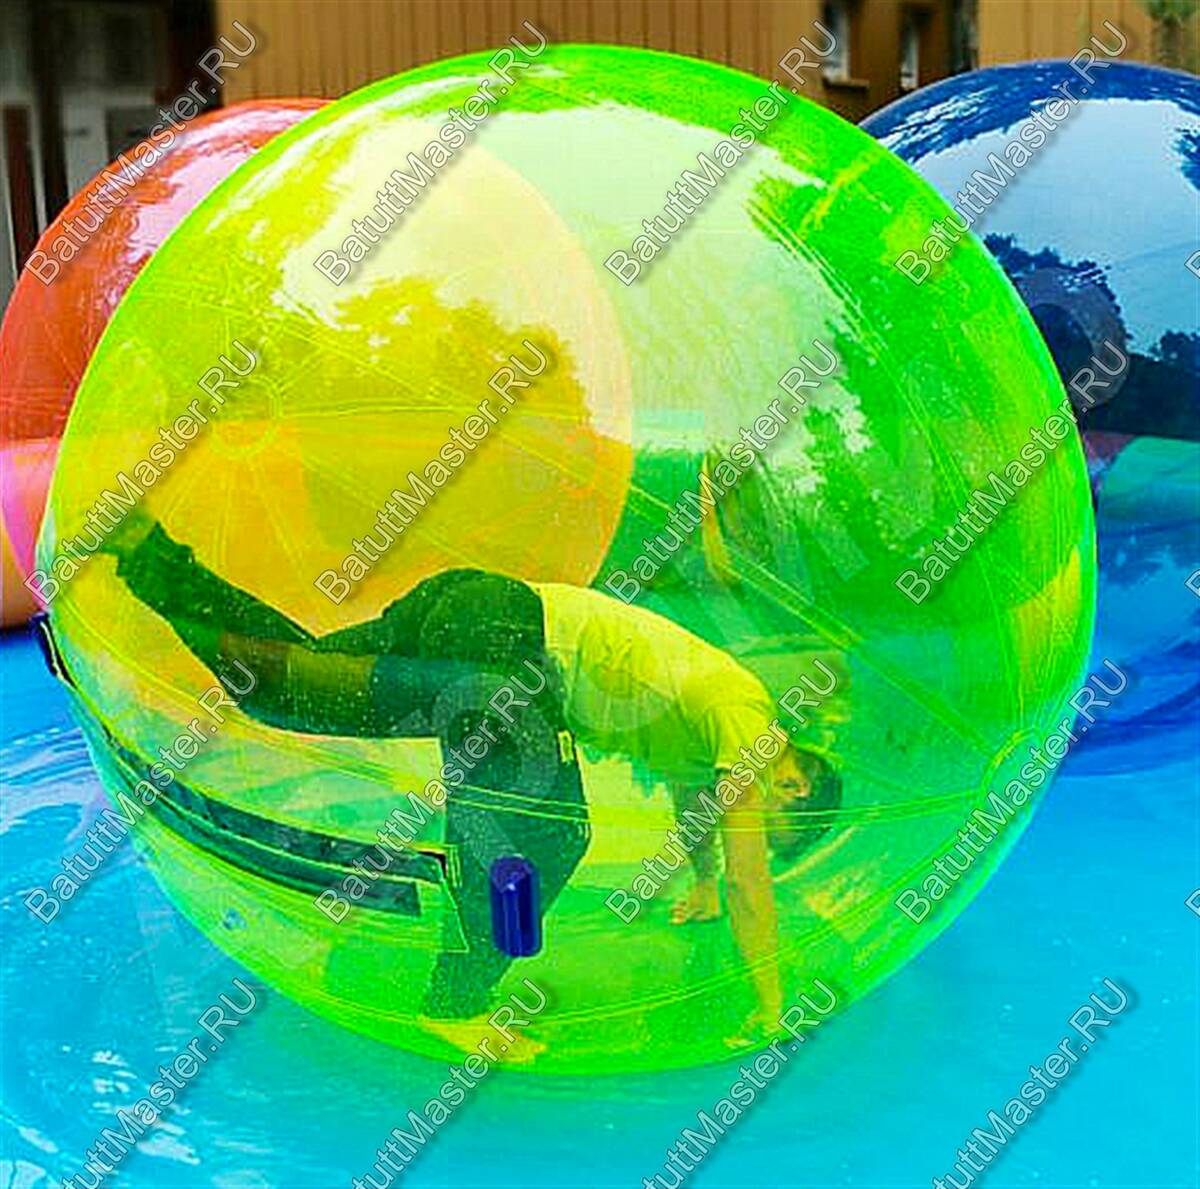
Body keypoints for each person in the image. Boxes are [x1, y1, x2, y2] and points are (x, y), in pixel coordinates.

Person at [95, 507, 841, 1056]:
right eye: (776, 833)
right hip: (506, 643)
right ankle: (455, 1003)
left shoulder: (713, 731)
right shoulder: (749, 717)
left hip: (474, 608)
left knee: (294, 685)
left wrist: (701, 882)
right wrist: (771, 1003)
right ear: (795, 789)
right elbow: (750, 878)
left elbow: (698, 812)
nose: (750, 829)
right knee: (551, 831)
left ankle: (149, 554)